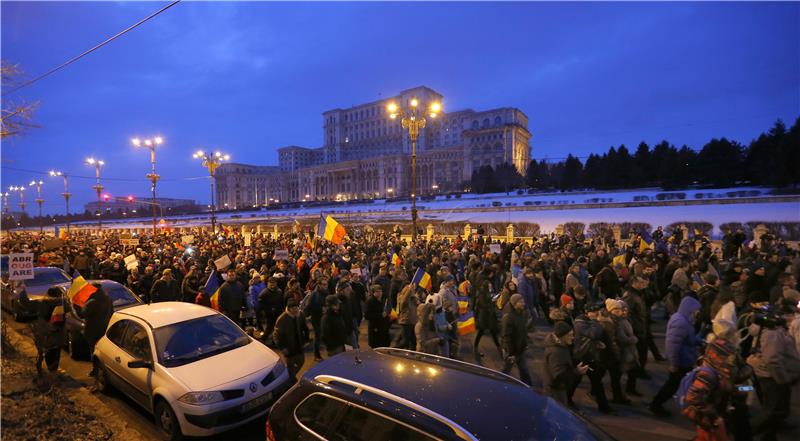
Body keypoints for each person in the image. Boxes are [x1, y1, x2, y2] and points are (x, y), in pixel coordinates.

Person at [651, 296, 703, 417]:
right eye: (695, 310)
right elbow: (672, 345)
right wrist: (674, 364)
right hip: (681, 361)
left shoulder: (684, 320)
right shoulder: (681, 323)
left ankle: (657, 404)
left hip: (685, 359)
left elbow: (687, 338)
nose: (697, 313)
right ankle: (656, 404)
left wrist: (700, 341)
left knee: (676, 384)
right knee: (673, 385)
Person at [19, 286, 66, 379]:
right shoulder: (62, 303)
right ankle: (53, 371)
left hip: (47, 331)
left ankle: (52, 371)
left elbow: (26, 303)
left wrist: (22, 292)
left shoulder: (41, 303)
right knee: (55, 352)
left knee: (50, 351)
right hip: (57, 332)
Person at [544, 321, 590, 408]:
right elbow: (558, 375)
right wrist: (577, 372)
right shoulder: (556, 352)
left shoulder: (562, 347)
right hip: (555, 390)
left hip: (558, 388)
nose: (572, 337)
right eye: (570, 335)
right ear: (562, 336)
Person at [272, 298, 309, 380]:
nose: (295, 310)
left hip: (299, 346)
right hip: (288, 348)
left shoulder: (300, 315)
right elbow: (276, 336)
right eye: (293, 308)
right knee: (290, 367)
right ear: (289, 308)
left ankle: (288, 378)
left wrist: (306, 339)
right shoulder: (282, 319)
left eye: (297, 307)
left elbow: (305, 327)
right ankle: (291, 380)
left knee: (301, 361)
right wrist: (282, 348)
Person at [501, 294, 533, 386]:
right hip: (511, 351)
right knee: (505, 371)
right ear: (514, 303)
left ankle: (529, 387)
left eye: (523, 301)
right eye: (520, 302)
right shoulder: (508, 317)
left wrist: (525, 342)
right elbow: (506, 336)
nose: (523, 303)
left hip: (520, 349)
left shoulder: (522, 314)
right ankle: (499, 384)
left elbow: (522, 330)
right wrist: (510, 353)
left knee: (524, 371)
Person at [84, 283, 113, 378]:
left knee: (93, 351)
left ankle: (95, 370)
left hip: (93, 330)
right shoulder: (108, 299)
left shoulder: (92, 301)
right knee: (104, 351)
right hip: (104, 329)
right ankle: (105, 370)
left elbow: (83, 313)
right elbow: (111, 312)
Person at [473, 273, 502, 361]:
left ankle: (499, 348)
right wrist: (492, 300)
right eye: (489, 285)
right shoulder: (482, 294)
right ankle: (475, 347)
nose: (491, 286)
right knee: (481, 332)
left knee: (493, 332)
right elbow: (484, 304)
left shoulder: (487, 293)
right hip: (484, 316)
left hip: (489, 316)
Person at [258, 277, 285, 345]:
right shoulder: (264, 293)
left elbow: (281, 301)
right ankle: (263, 339)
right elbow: (261, 305)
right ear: (268, 284)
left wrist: (282, 309)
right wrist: (267, 310)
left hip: (278, 312)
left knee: (276, 327)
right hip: (269, 314)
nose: (272, 285)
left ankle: (274, 340)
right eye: (271, 283)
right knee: (269, 327)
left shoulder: (279, 291)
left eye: (274, 283)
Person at [364, 284, 391, 348]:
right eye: (377, 292)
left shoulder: (384, 299)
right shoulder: (370, 302)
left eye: (380, 291)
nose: (380, 293)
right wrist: (380, 315)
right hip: (375, 329)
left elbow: (388, 308)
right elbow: (367, 316)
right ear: (373, 293)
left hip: (384, 328)